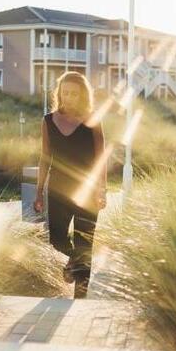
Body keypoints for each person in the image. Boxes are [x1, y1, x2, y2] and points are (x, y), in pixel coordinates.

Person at [34, 71, 107, 299]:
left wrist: (101, 189)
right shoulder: (48, 121)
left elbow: (100, 157)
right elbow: (45, 158)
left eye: (74, 94)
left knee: (85, 242)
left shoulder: (93, 121)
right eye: (65, 92)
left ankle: (80, 298)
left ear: (82, 96)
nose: (68, 97)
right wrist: (39, 191)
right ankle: (73, 261)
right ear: (59, 93)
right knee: (57, 238)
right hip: (58, 189)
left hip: (88, 189)